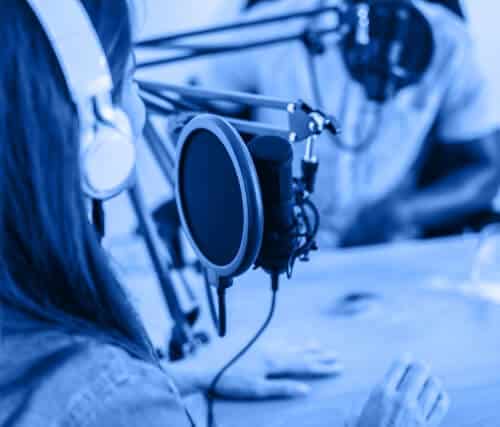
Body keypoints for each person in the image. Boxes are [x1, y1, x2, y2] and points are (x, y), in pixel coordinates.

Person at [0, 0, 449, 426]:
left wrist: (176, 377)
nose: (139, 104)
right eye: (129, 76)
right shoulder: (105, 398)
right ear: (100, 139)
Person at [200, 0, 500, 247]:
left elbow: (487, 170)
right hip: (275, 244)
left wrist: (402, 214)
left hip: (388, 248)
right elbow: (197, 125)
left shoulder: (450, 42)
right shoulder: (272, 26)